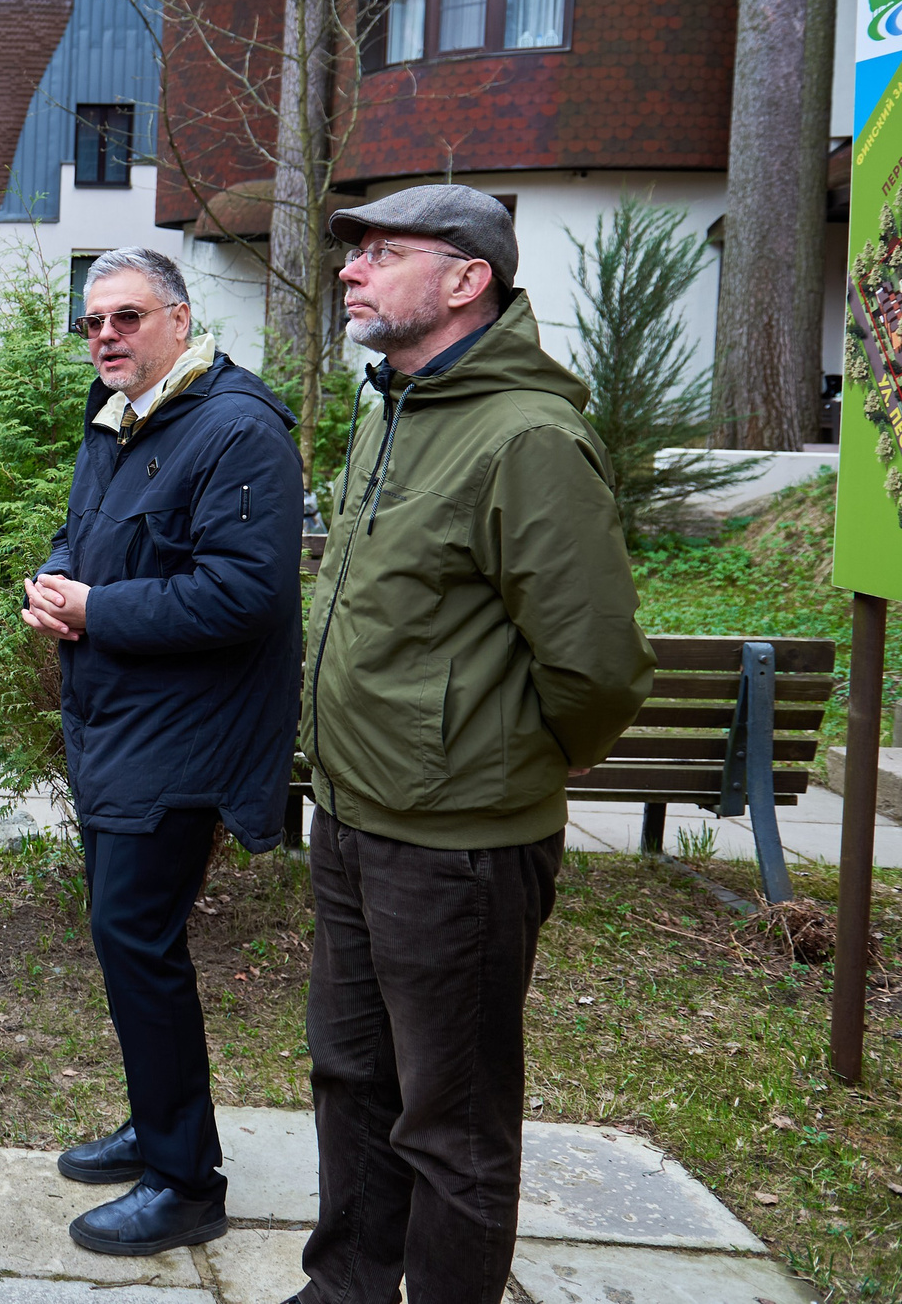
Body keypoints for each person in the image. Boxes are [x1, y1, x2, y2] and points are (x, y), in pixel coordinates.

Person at [292, 185, 653, 1304]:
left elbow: (596, 668)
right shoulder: (393, 407)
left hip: (459, 845)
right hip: (351, 814)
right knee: (350, 1076)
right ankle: (346, 1288)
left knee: (450, 1121)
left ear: (466, 279)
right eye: (353, 253)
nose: (349, 270)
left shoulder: (527, 437)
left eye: (381, 252)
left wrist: (499, 762)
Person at [19, 248, 302, 1259]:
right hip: (117, 720)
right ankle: (159, 1124)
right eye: (93, 320)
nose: (105, 334)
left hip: (185, 733)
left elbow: (244, 593)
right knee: (132, 939)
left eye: (127, 316)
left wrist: (96, 608)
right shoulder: (120, 414)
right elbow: (79, 532)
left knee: (133, 934)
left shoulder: (237, 429)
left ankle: (186, 1182)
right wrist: (55, 584)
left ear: (180, 319)